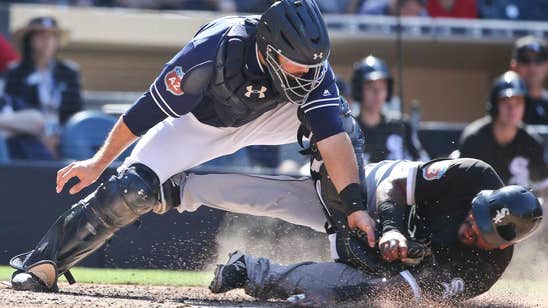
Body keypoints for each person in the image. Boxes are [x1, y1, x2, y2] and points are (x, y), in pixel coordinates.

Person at [9, 0, 375, 292]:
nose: (306, 74)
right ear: (267, 48)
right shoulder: (210, 53)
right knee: (132, 189)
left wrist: (355, 205)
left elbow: (333, 139)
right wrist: (97, 162)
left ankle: (351, 262)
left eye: (311, 66)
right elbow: (143, 113)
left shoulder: (315, 72)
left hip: (274, 117)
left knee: (342, 126)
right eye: (295, 65)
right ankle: (43, 264)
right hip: (201, 123)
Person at [5, 16, 83, 158]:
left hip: (64, 137)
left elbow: (75, 110)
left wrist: (58, 136)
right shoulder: (16, 72)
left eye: (51, 37)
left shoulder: (68, 72)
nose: (46, 42)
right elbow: (13, 109)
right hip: (26, 135)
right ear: (30, 41)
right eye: (40, 36)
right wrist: (40, 135)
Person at [458, 71, 547, 187]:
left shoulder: (531, 143)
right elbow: (462, 185)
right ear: (495, 105)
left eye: (518, 103)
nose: (512, 110)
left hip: (519, 204)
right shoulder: (474, 139)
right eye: (506, 102)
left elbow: (542, 188)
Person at [351, 55, 429, 163]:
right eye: (370, 87)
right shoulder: (349, 128)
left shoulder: (401, 125)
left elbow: (422, 161)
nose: (377, 93)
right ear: (358, 90)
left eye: (382, 87)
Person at [510, 36, 548, 125]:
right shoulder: (507, 104)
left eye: (538, 61)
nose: (532, 67)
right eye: (525, 61)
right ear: (514, 66)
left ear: (546, 65)